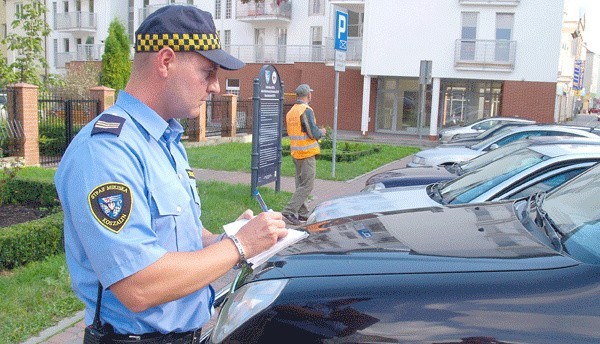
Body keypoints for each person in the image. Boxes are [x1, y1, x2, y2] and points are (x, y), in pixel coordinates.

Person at [54, 5, 287, 342]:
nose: (216, 87)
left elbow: (179, 236)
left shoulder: (165, 139)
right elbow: (139, 285)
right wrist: (240, 245)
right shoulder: (106, 151)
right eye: (207, 72)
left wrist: (222, 240)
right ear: (165, 62)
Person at [281, 84, 327, 225]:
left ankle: (302, 214)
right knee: (307, 185)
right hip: (306, 153)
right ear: (308, 95)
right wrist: (322, 133)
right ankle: (288, 212)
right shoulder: (305, 110)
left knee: (300, 184)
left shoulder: (291, 112)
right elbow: (313, 132)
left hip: (296, 152)